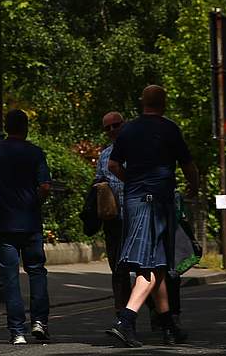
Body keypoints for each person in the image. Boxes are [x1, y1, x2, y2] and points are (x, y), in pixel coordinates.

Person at [105, 85, 199, 348]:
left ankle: (169, 325)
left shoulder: (129, 129)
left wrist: (132, 180)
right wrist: (194, 186)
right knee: (151, 266)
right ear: (164, 103)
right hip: (156, 201)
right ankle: (126, 320)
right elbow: (188, 165)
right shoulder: (169, 129)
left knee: (156, 264)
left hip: (134, 201)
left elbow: (113, 165)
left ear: (142, 102)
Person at [0, 109, 52, 345]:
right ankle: (39, 322)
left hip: (3, 223)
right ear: (26, 128)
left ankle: (17, 331)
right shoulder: (35, 153)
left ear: (6, 127)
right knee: (37, 272)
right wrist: (35, 202)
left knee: (10, 278)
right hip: (30, 223)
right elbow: (46, 186)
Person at [94, 111, 130, 318]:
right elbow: (98, 179)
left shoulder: (137, 149)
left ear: (124, 124)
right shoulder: (105, 154)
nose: (112, 130)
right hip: (114, 218)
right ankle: (121, 314)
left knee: (146, 268)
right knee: (118, 268)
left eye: (116, 125)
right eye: (107, 128)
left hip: (136, 214)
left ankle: (159, 313)